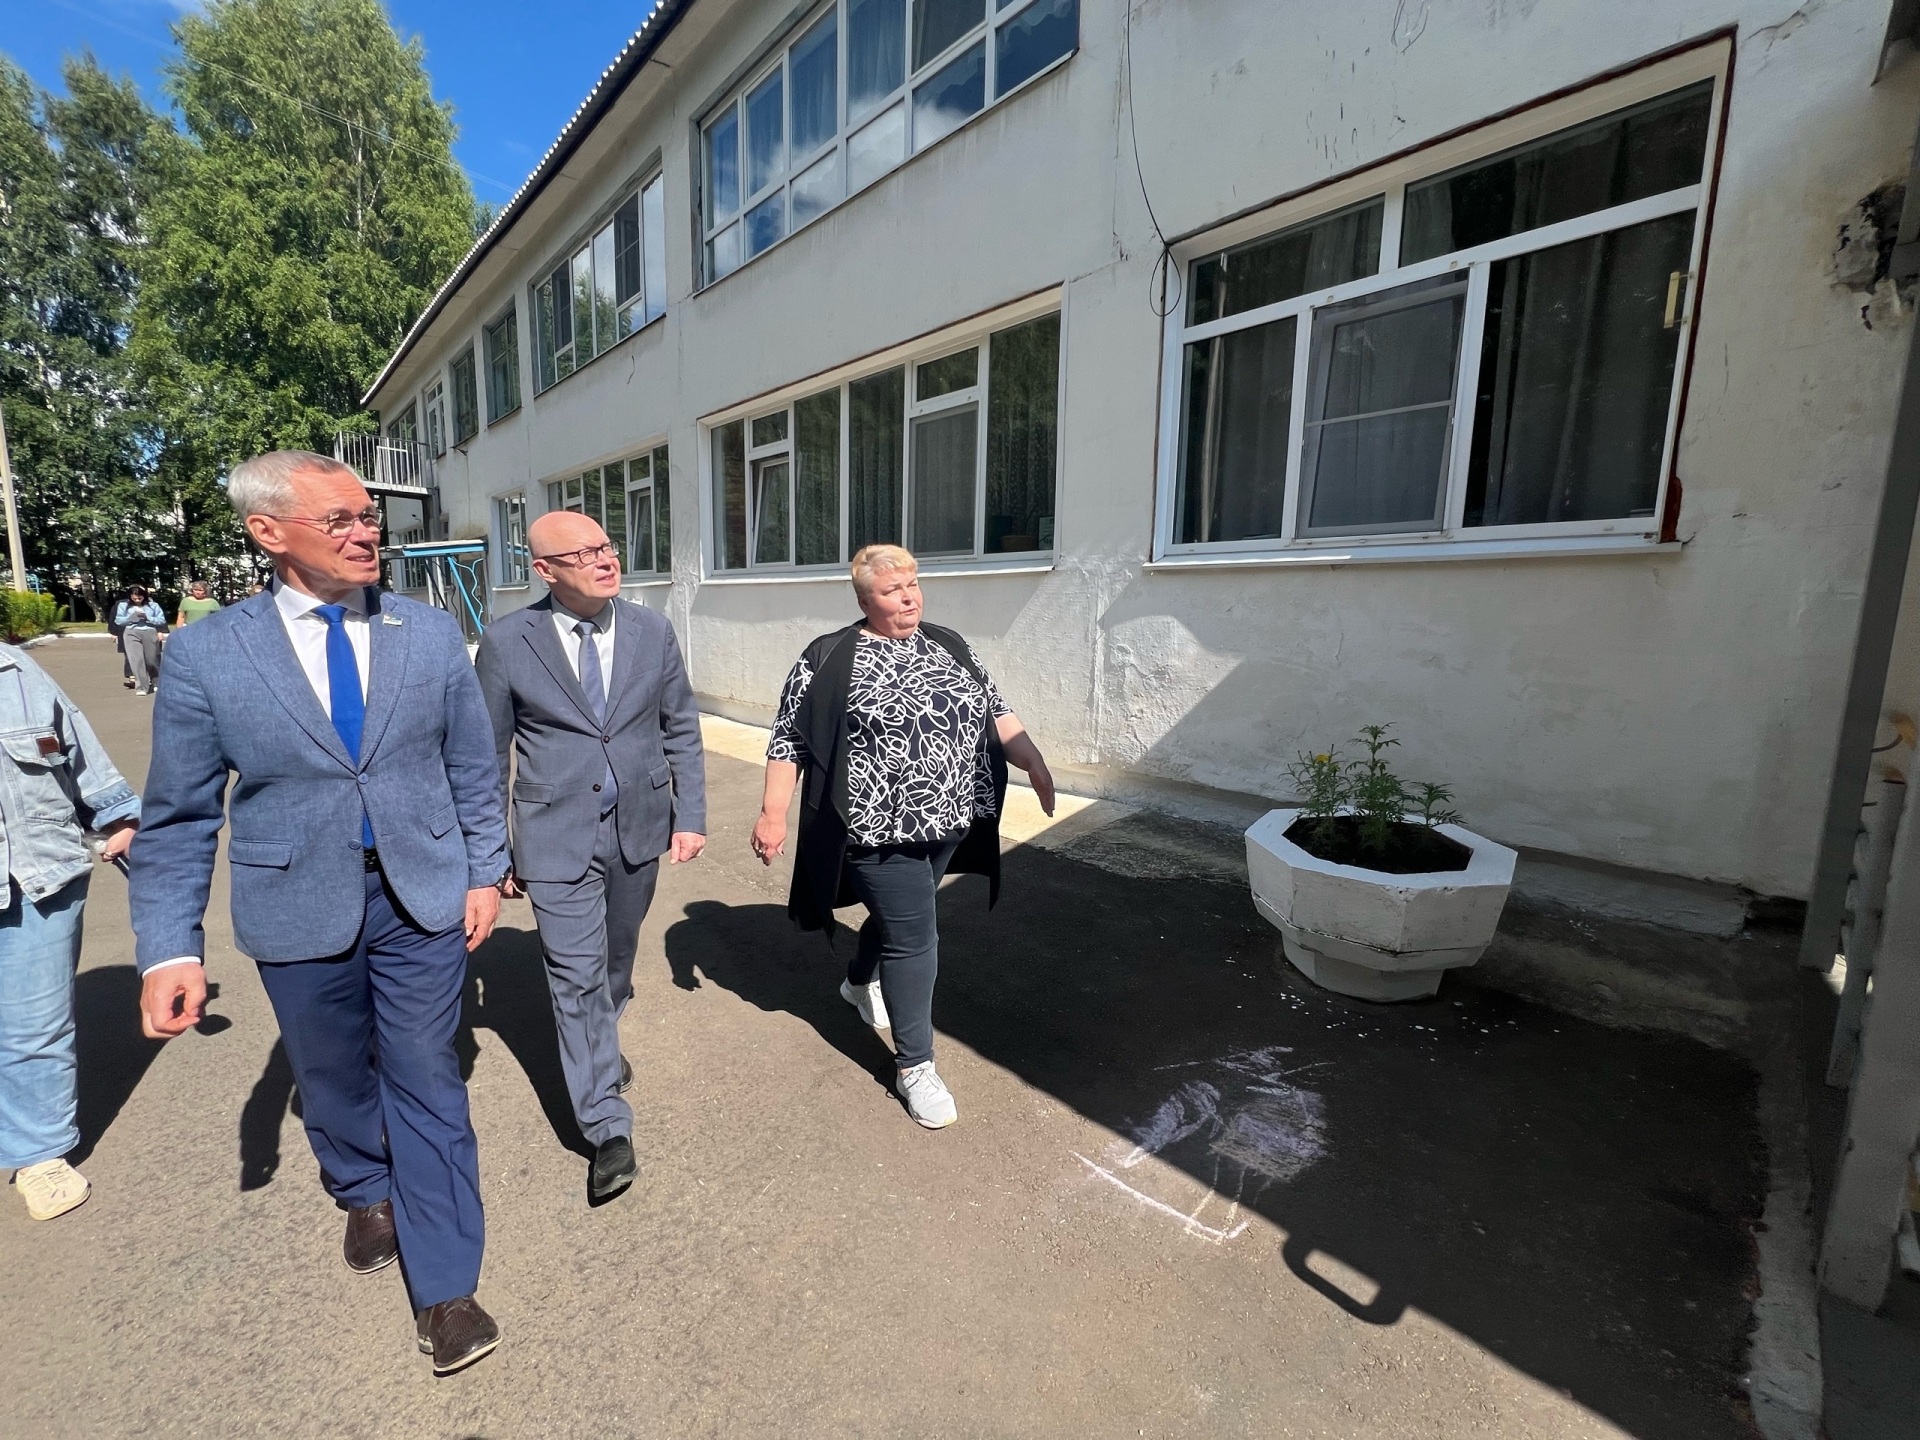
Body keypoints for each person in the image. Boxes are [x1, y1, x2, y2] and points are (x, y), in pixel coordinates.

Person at [128, 450, 510, 1375]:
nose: (366, 531)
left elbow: (471, 763)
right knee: (331, 1072)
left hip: (421, 892)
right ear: (268, 532)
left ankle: (446, 1290)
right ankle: (361, 1184)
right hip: (294, 898)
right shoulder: (208, 654)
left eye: (367, 515)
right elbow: (179, 815)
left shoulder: (428, 632)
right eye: (339, 519)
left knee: (426, 1074)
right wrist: (169, 948)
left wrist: (485, 869)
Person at [751, 544, 1055, 1129]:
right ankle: (915, 1066)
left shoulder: (949, 644)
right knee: (916, 936)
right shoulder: (828, 656)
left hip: (950, 818)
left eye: (913, 584)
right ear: (865, 599)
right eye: (893, 591)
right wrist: (773, 812)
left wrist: (1033, 760)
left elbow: (996, 710)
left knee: (901, 920)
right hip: (874, 828)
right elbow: (790, 739)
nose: (909, 598)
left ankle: (857, 982)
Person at [474, 511, 706, 1201]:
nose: (605, 560)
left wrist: (690, 815)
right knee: (575, 977)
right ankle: (606, 1125)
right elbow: (487, 755)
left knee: (615, 962)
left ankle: (601, 1037)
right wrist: (491, 853)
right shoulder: (507, 642)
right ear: (545, 571)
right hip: (553, 832)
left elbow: (680, 725)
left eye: (606, 545)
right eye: (583, 554)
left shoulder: (651, 630)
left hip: (640, 823)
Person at [0, 645, 139, 1220]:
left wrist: (118, 816)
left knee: (35, 1025)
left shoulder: (14, 669)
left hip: (38, 873)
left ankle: (39, 1152)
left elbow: (73, 745)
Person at [114, 587, 165, 695]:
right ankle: (142, 687)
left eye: (139, 598)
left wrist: (148, 618)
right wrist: (130, 618)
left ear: (144, 596)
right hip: (131, 632)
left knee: (151, 660)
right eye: (134, 598)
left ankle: (156, 681)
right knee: (136, 660)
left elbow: (161, 620)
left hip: (149, 631)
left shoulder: (153, 605)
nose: (137, 600)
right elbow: (118, 620)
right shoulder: (123, 606)